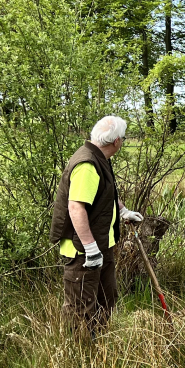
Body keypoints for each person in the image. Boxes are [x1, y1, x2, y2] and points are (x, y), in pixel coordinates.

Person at [49, 116, 143, 335]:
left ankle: (99, 352)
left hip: (102, 245)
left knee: (104, 302)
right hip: (83, 251)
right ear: (117, 141)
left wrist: (122, 211)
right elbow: (76, 208)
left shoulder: (100, 158)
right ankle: (77, 361)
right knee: (81, 309)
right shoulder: (87, 164)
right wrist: (90, 248)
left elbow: (105, 195)